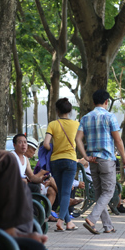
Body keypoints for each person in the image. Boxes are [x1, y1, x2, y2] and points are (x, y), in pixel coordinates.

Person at [76, 89, 125, 234]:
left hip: (92, 161)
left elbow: (78, 139)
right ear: (106, 102)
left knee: (101, 193)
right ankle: (92, 219)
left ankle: (108, 226)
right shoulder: (109, 116)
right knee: (108, 192)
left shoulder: (85, 118)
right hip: (106, 159)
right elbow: (118, 140)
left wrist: (86, 156)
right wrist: (124, 159)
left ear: (93, 102)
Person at [44, 98, 79, 232]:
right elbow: (79, 141)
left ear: (57, 111)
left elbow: (46, 144)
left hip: (55, 161)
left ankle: (69, 223)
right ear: (69, 110)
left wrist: (55, 148)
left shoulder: (53, 124)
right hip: (70, 160)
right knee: (65, 192)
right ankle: (61, 220)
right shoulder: (76, 124)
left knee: (61, 192)